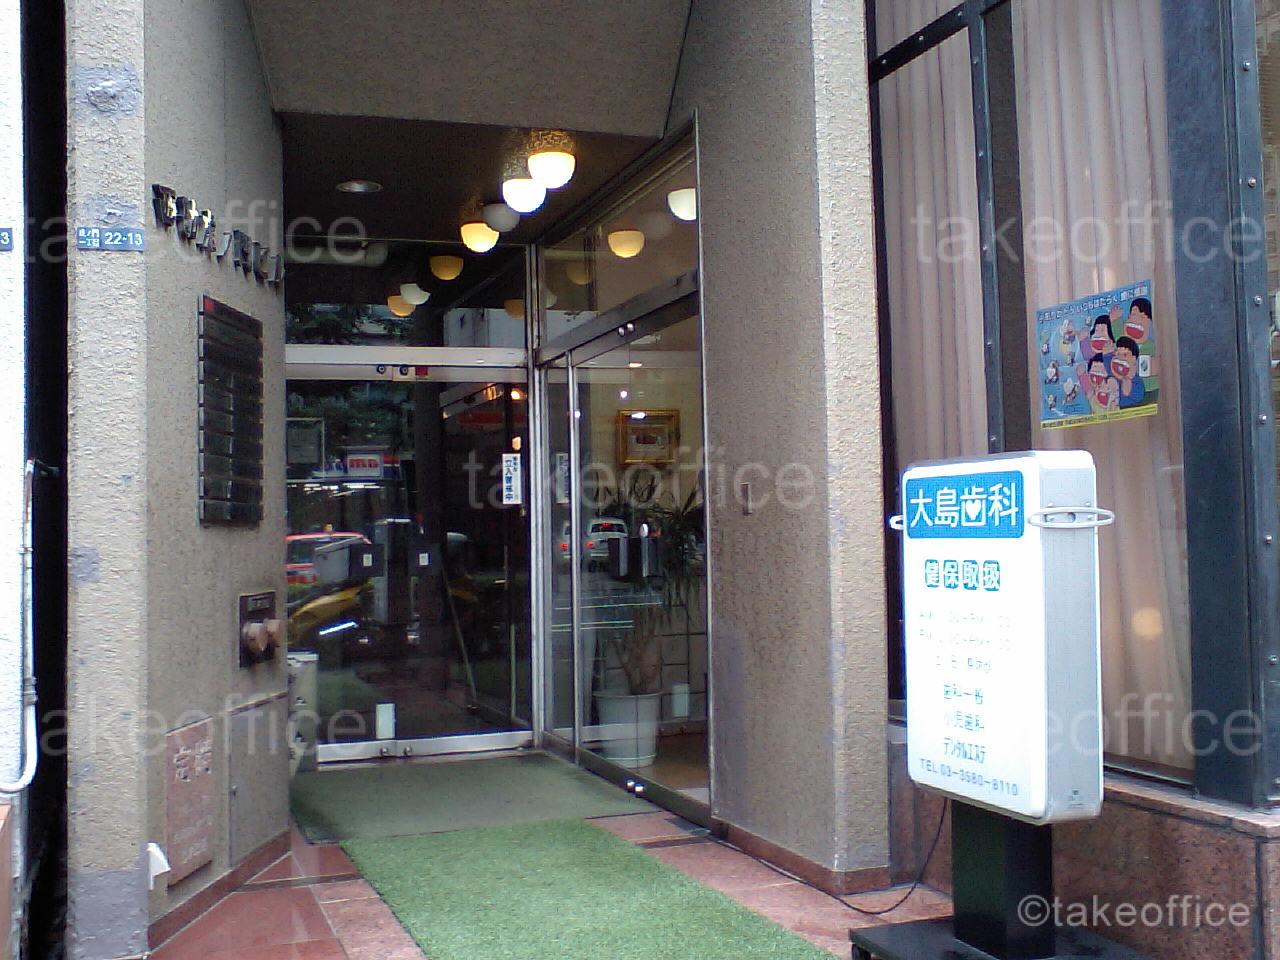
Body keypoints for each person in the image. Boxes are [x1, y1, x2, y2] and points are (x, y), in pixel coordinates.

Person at [1111, 336, 1146, 408]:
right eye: (1118, 354)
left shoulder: (1137, 384)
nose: (1120, 358)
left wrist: (1124, 377)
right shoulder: (1113, 380)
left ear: (1134, 358)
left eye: (1125, 355)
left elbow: (1126, 393)